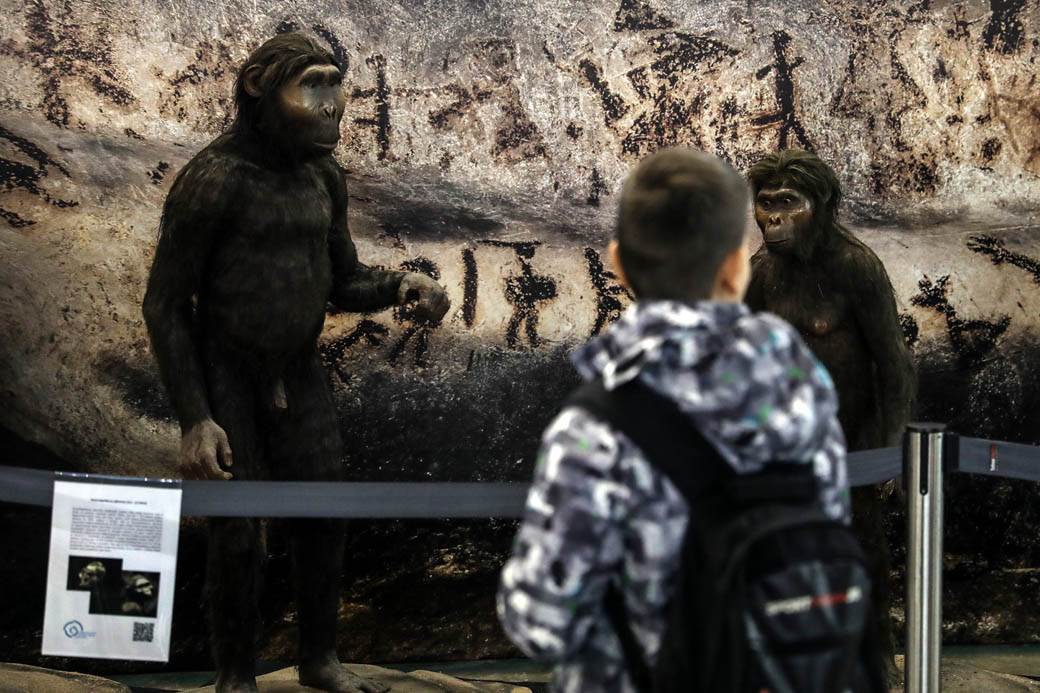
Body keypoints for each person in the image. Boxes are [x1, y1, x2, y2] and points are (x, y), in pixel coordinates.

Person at [497, 148, 857, 692]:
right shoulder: (802, 388)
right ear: (736, 267)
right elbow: (825, 541)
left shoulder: (593, 430)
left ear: (619, 265)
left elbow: (543, 623)